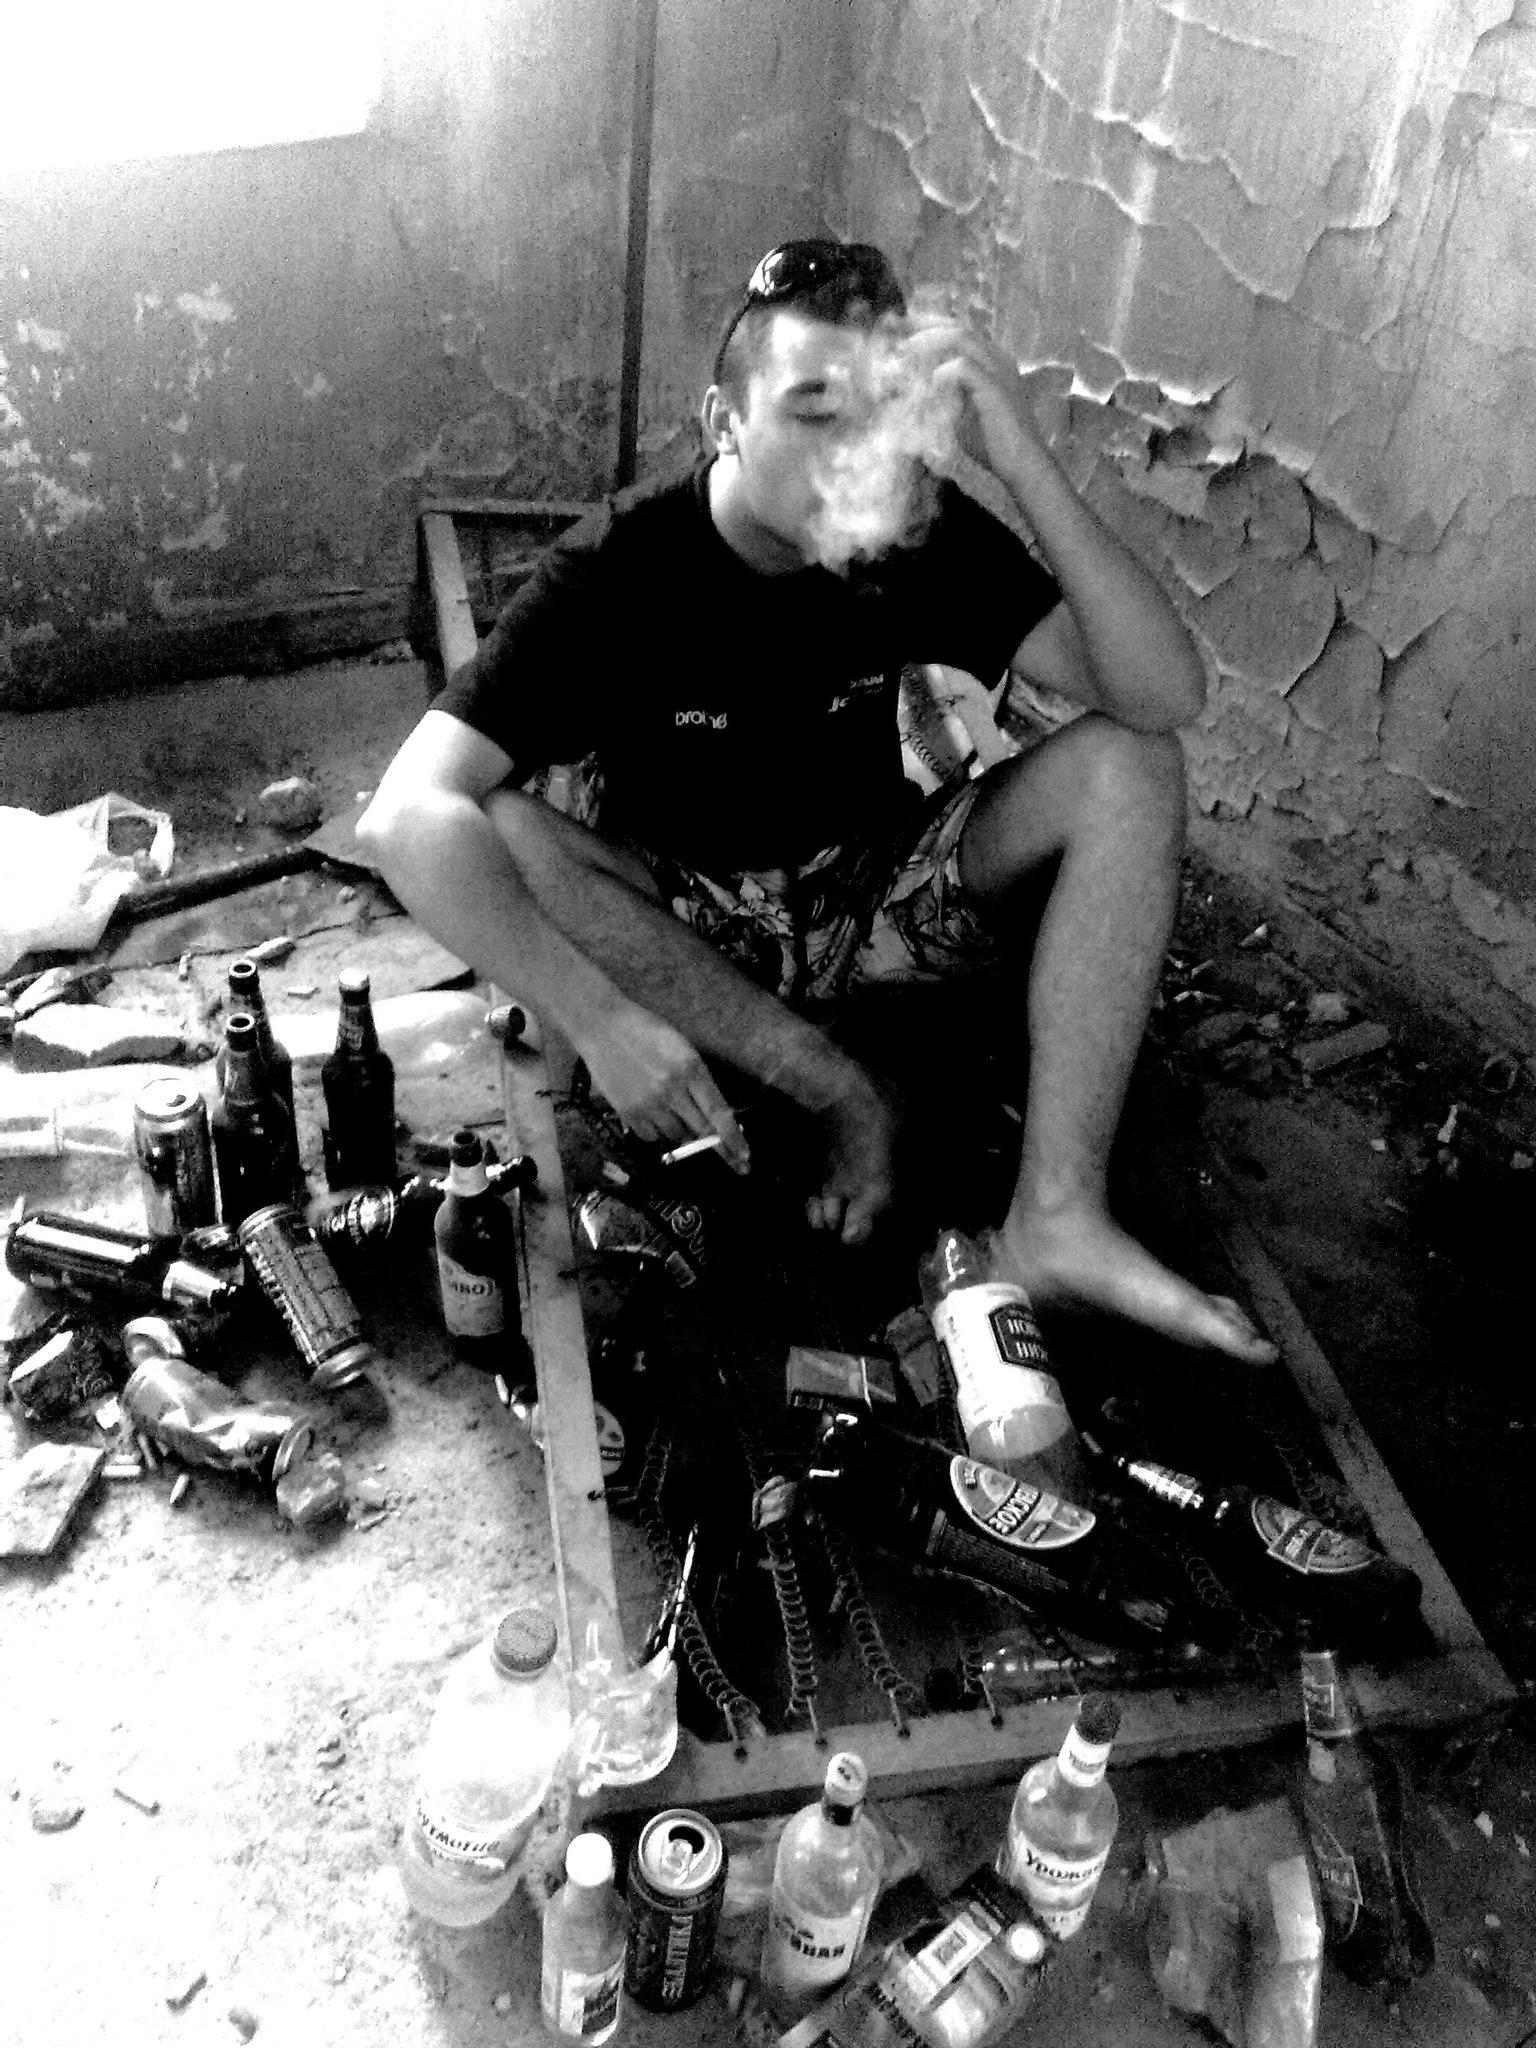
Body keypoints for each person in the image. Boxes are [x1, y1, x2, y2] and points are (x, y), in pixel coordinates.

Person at [359, 239, 1276, 1365]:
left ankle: (1057, 1218)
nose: (853, 456)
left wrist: (1023, 457)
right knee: (500, 825)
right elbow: (403, 814)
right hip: (688, 927)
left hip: (873, 893)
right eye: (812, 411)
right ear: (724, 421)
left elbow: (1163, 694)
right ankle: (840, 1086)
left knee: (1133, 764)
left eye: (878, 415)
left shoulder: (912, 531)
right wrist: (599, 1020)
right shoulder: (622, 566)